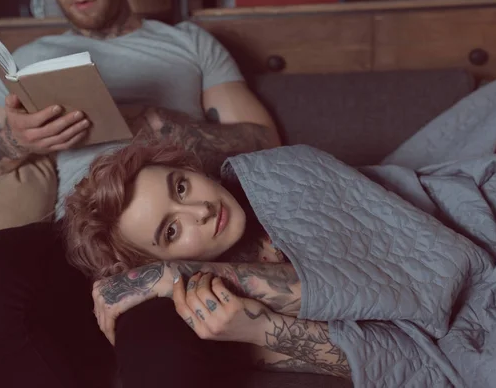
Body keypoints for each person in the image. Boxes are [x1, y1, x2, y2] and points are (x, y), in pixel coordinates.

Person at [0, 0, 285, 387]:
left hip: (171, 236)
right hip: (78, 230)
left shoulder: (189, 41)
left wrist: (159, 124)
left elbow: (264, 139)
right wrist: (17, 142)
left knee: (159, 342)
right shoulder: (32, 59)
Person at [62, 142, 351, 380]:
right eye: (171, 231)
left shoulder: (274, 176)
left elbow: (368, 277)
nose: (201, 211)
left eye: (181, 188)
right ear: (150, 261)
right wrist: (260, 329)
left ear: (189, 169)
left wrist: (170, 274)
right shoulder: (215, 312)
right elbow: (381, 356)